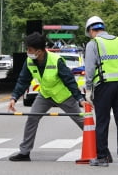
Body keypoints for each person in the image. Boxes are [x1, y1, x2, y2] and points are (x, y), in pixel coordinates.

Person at [7, 32, 86, 161]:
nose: (28, 52)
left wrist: (80, 99)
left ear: (39, 51)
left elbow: (69, 80)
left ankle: (101, 149)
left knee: (82, 121)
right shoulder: (29, 61)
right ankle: (25, 152)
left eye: (30, 49)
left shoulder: (56, 61)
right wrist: (13, 98)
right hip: (45, 95)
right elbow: (23, 81)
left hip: (63, 96)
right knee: (32, 119)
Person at [83, 16, 118, 167]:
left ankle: (102, 157)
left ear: (91, 30)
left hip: (104, 86)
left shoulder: (94, 43)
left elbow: (90, 68)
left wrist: (88, 88)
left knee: (103, 122)